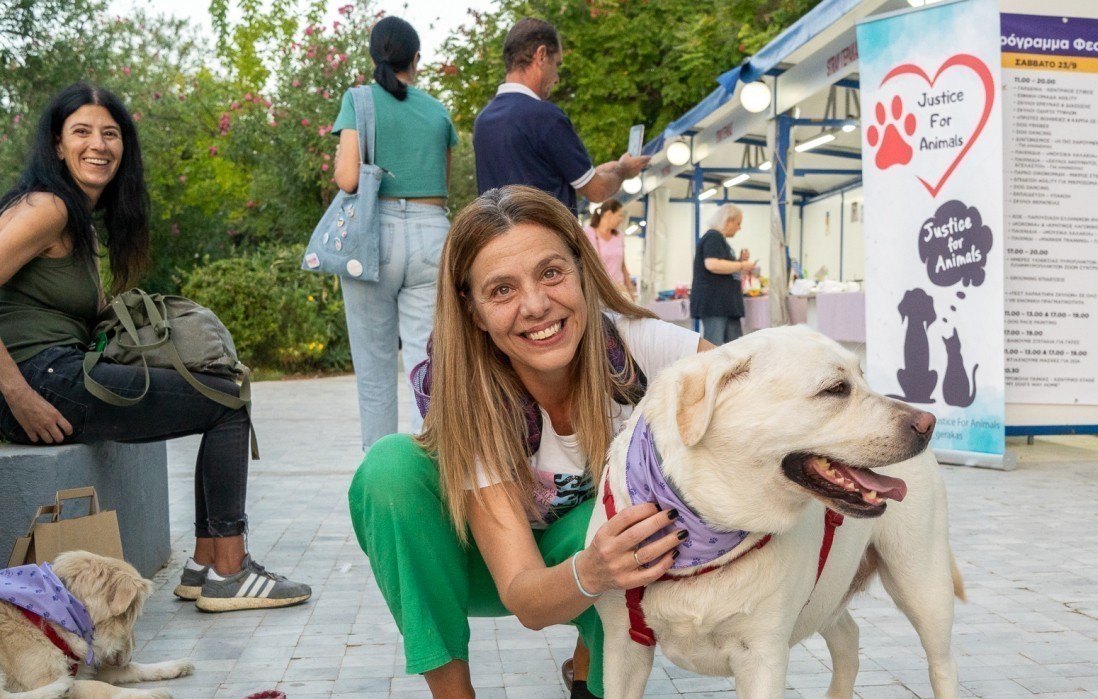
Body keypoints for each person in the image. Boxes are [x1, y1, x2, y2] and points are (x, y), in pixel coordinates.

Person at [348, 185, 712, 699]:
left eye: (550, 273)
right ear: (472, 310)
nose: (537, 306)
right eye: (502, 290)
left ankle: (594, 666)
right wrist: (592, 571)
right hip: (482, 569)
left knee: (627, 515)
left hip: (587, 552)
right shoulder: (467, 397)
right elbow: (525, 599)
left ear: (582, 268)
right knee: (389, 468)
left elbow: (757, 387)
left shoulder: (641, 347)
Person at [0, 84, 311, 613]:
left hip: (60, 373)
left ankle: (206, 566)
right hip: (40, 381)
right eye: (81, 132)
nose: (98, 145)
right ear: (57, 144)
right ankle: (228, 569)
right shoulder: (48, 208)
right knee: (226, 402)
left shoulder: (74, 217)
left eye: (110, 133)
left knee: (223, 387)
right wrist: (18, 394)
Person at [332, 15, 458, 451]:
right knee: (429, 368)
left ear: (374, 57)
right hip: (432, 234)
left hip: (373, 236)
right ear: (415, 58)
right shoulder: (437, 110)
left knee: (374, 371)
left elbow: (348, 178)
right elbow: (443, 185)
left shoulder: (358, 100)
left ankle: (382, 472)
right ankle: (431, 465)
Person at [472, 17, 650, 212]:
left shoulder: (483, 122)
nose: (557, 78)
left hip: (499, 230)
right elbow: (597, 191)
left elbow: (535, 178)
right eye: (556, 64)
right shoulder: (545, 116)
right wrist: (623, 170)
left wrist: (595, 173)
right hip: (547, 231)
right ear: (541, 55)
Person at [691, 203, 757, 346]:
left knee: (734, 347)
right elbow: (712, 264)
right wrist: (742, 265)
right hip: (716, 305)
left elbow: (721, 264)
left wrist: (738, 261)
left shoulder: (718, 239)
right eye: (738, 223)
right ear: (728, 221)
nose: (739, 228)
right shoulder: (713, 237)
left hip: (725, 305)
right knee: (714, 348)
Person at [584, 198, 633, 300]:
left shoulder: (619, 235)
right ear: (609, 214)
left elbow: (622, 265)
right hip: (598, 291)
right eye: (620, 215)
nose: (621, 219)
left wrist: (629, 289)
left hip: (619, 290)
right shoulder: (588, 233)